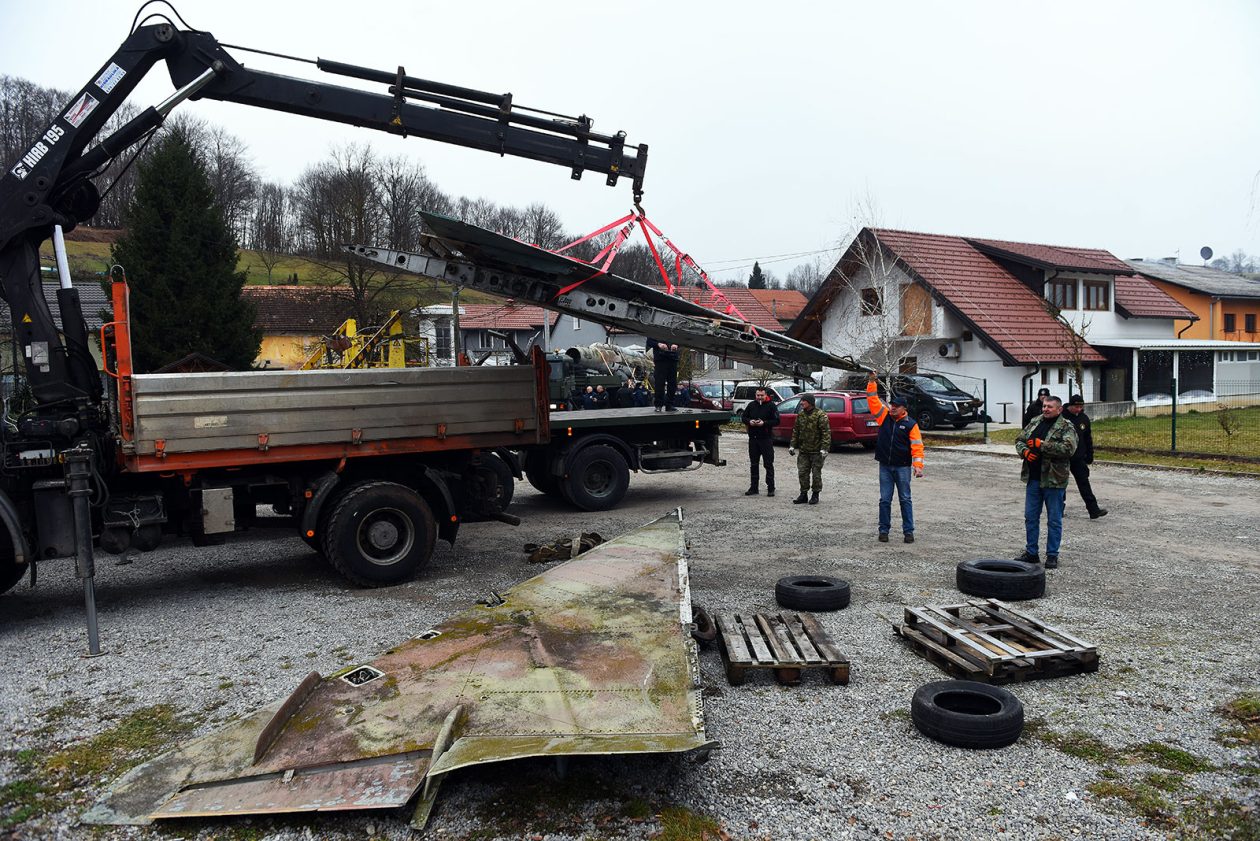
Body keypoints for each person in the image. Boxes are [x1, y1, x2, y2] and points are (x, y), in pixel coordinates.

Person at [1015, 394, 1078, 569]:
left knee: (1054, 520)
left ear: (1059, 409)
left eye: (1050, 407)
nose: (1045, 409)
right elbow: (1019, 440)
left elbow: (1068, 449)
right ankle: (1031, 553)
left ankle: (1052, 555)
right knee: (1030, 517)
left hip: (1053, 480)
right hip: (1033, 478)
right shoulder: (1035, 421)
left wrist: (1041, 445)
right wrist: (1025, 452)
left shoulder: (1066, 427)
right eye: (1044, 406)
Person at [866, 372, 925, 543]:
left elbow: (917, 446)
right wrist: (871, 382)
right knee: (884, 500)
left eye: (896, 406)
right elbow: (872, 399)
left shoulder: (911, 425)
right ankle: (883, 531)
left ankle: (908, 532)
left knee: (905, 499)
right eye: (892, 405)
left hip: (903, 467)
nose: (892, 407)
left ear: (904, 408)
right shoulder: (884, 417)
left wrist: (918, 465)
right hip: (885, 465)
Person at [1064, 394, 1107, 519]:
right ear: (1070, 406)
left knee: (1084, 483)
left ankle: (1094, 510)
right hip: (1063, 457)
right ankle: (1058, 509)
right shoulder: (1062, 417)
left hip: (1078, 458)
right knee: (1061, 484)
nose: (1078, 409)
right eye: (1076, 407)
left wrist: (1090, 454)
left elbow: (1088, 438)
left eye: (1080, 407)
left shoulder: (1084, 418)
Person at [788, 393, 830, 505]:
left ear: (810, 402)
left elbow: (826, 433)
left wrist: (824, 449)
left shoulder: (821, 415)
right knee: (802, 473)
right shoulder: (800, 415)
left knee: (816, 474)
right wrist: (792, 445)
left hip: (817, 452)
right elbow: (796, 431)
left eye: (804, 401)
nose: (801, 403)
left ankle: (815, 495)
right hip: (804, 451)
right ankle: (803, 494)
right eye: (801, 401)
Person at [741, 387, 780, 497]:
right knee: (754, 464)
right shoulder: (751, 405)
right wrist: (750, 421)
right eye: (758, 395)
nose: (759, 397)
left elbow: (777, 420)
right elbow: (743, 417)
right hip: (753, 439)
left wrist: (764, 423)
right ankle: (754, 488)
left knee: (768, 464)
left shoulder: (771, 406)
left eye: (761, 395)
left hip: (766, 439)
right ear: (756, 395)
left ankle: (771, 488)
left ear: (765, 395)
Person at [646, 337, 679, 412]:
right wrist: (658, 344)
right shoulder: (654, 328)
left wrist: (676, 345)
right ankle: (658, 405)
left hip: (672, 358)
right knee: (659, 383)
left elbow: (682, 339)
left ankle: (670, 405)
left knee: (672, 383)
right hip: (660, 359)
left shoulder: (675, 327)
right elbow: (649, 342)